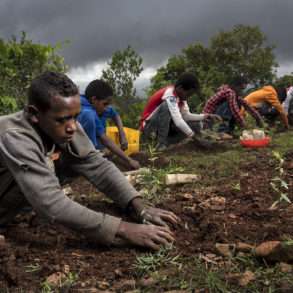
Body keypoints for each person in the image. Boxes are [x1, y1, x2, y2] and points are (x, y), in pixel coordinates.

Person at [0, 71, 179, 250]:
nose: (72, 127)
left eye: (75, 117)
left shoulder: (63, 125)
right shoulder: (13, 135)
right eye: (62, 120)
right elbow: (50, 202)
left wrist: (140, 206)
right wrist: (124, 229)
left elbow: (98, 166)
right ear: (34, 114)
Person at [140, 72, 220, 150]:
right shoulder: (170, 94)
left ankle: (167, 143)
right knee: (166, 106)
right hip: (149, 128)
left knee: (196, 124)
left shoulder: (181, 98)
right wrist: (195, 138)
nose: (188, 97)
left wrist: (206, 116)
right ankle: (160, 144)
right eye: (188, 94)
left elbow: (186, 116)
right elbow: (178, 121)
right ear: (180, 88)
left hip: (163, 129)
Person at [77, 79, 140, 170]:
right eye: (105, 104)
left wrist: (122, 134)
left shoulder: (97, 105)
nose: (107, 108)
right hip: (82, 154)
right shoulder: (87, 112)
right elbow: (105, 139)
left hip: (98, 148)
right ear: (94, 99)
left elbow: (115, 115)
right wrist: (129, 160)